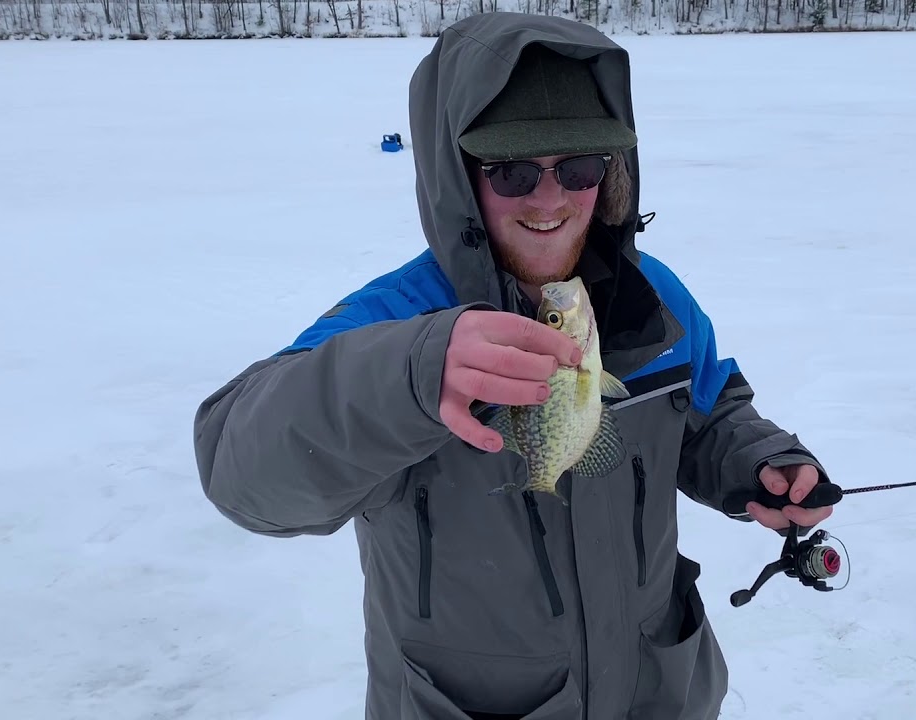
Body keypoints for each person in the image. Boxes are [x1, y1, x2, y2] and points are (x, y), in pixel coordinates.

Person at [193, 11, 837, 720]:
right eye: (512, 171)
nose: (550, 198)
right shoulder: (396, 322)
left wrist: (760, 461)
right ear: (460, 177)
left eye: (580, 166)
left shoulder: (656, 303)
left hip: (659, 690)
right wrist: (409, 378)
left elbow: (709, 415)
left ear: (613, 172)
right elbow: (241, 474)